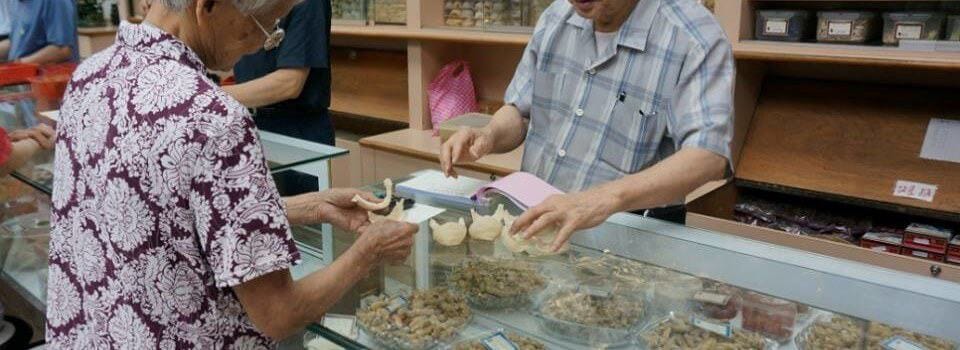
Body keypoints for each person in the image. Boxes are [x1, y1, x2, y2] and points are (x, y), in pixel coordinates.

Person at [48, 0, 416, 348]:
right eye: (263, 25)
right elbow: (278, 313)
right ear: (206, 6)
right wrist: (368, 252)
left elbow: (161, 214)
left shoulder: (89, 77)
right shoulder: (213, 117)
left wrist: (310, 206)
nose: (261, 45)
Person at [440, 0, 734, 251]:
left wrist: (602, 200)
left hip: (628, 242)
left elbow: (708, 157)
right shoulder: (557, 17)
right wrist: (489, 134)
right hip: (537, 226)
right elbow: (521, 110)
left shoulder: (693, 36)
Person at [0, 0, 79, 64]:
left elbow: (62, 50)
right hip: (22, 76)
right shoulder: (16, 3)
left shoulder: (56, 2)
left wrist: (19, 64)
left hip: (51, 79)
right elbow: (15, 43)